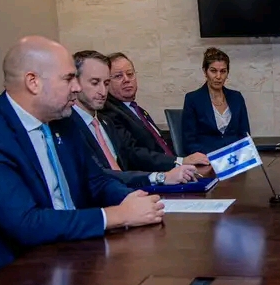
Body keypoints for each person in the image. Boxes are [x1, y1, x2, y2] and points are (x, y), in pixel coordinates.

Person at [0, 36, 166, 271]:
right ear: (33, 82)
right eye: (68, 78)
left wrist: (130, 199)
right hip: (12, 275)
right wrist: (117, 215)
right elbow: (26, 224)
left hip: (72, 254)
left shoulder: (62, 121)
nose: (77, 87)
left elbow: (96, 181)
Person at [61, 50, 197, 188]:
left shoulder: (105, 122)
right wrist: (160, 177)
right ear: (75, 83)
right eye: (95, 83)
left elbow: (126, 160)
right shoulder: (66, 126)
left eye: (106, 83)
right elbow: (98, 175)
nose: (103, 91)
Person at [100, 52, 209, 165]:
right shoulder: (109, 113)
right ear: (107, 82)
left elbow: (160, 142)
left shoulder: (138, 110)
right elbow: (132, 153)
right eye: (118, 76)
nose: (127, 79)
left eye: (130, 74)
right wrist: (180, 161)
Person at [181, 47, 252, 155]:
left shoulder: (236, 97)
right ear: (205, 71)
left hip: (236, 158)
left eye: (223, 71)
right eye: (213, 71)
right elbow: (189, 142)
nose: (218, 76)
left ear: (227, 73)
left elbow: (245, 135)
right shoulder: (193, 99)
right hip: (207, 158)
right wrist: (216, 156)